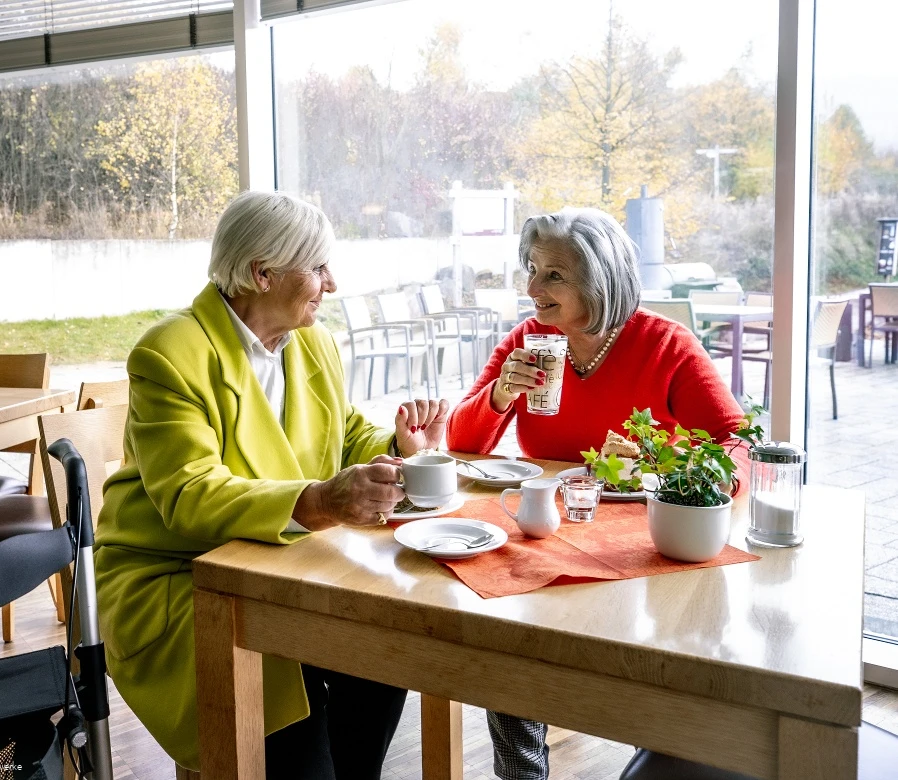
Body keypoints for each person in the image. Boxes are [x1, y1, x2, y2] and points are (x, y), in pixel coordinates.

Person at [94, 190, 450, 779]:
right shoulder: (170, 353)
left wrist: (397, 452)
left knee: (387, 648)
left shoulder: (314, 344)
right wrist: (319, 501)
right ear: (262, 274)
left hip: (284, 568)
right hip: (180, 577)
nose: (331, 284)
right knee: (299, 738)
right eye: (317, 267)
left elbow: (342, 433)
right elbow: (190, 494)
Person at [446, 207, 749, 780]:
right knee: (506, 636)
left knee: (637, 664)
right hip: (547, 533)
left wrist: (668, 461)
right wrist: (499, 395)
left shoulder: (665, 346)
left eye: (553, 276)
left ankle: (656, 755)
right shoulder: (529, 340)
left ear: (600, 279)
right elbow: (464, 444)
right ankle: (521, 772)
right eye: (531, 270)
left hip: (644, 546)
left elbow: (736, 445)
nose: (532, 288)